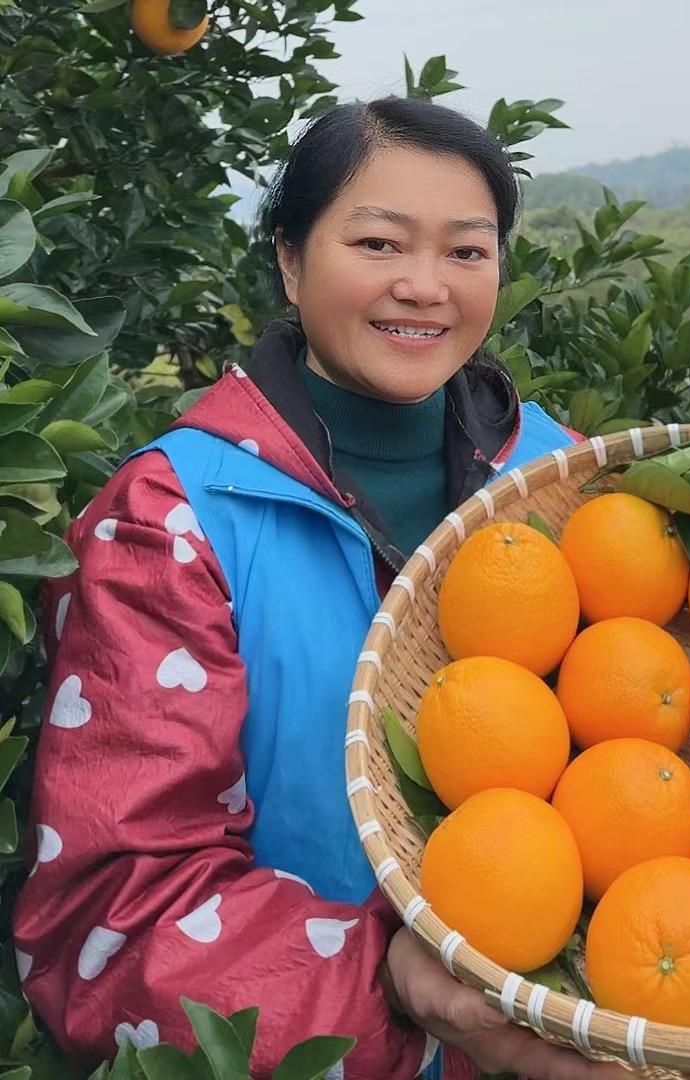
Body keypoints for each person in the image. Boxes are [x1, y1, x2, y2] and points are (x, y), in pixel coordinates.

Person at [14, 96, 625, 1080]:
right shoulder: (174, 521)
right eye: (379, 243)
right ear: (291, 261)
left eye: (467, 251)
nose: (424, 286)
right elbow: (110, 927)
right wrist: (390, 986)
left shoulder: (572, 486)